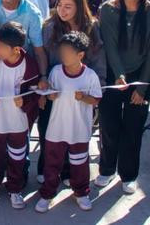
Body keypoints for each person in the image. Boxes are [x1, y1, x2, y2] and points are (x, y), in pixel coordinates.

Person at [98, 0, 150, 194]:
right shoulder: (108, 10)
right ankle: (106, 169)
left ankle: (129, 175)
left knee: (133, 130)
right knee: (109, 126)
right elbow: (110, 46)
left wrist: (142, 87)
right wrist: (119, 75)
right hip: (113, 76)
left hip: (139, 77)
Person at [37, 0, 105, 181]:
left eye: (68, 6)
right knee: (48, 129)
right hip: (54, 89)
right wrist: (42, 84)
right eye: (60, 5)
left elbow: (99, 59)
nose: (62, 10)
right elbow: (43, 57)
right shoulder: (50, 26)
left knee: (74, 132)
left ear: (79, 7)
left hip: (80, 91)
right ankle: (46, 168)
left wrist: (96, 88)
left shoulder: (92, 27)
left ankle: (68, 171)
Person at [35, 31, 102, 213]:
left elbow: (96, 100)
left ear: (80, 55)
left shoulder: (90, 76)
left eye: (68, 52)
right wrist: (50, 96)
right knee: (51, 163)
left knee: (79, 163)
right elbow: (50, 94)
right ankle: (47, 194)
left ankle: (81, 192)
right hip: (56, 128)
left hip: (79, 130)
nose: (64, 55)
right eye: (62, 51)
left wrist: (84, 98)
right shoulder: (56, 71)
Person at [0, 22, 39, 210]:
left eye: (2, 47)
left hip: (18, 121)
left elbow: (35, 94)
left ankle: (15, 189)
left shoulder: (30, 66)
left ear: (16, 49)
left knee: (18, 156)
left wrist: (26, 103)